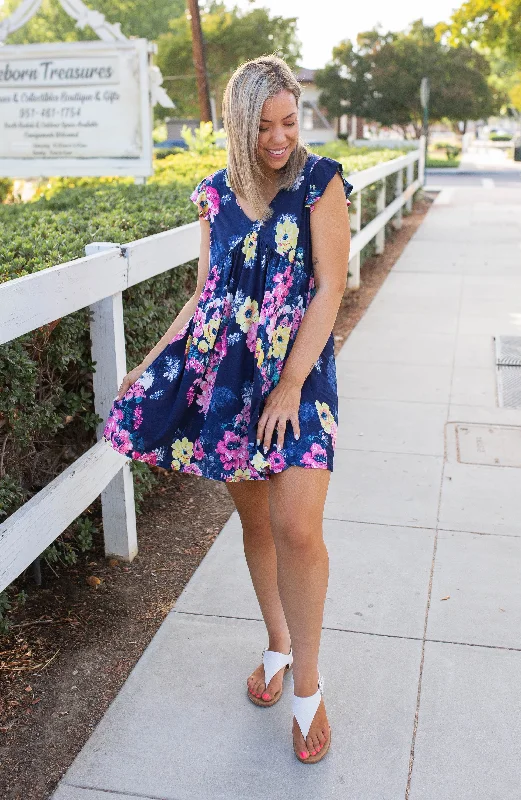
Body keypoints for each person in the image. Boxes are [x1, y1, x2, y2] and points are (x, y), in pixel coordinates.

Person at [102, 54, 353, 764]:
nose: (280, 137)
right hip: (226, 380)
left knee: (297, 525)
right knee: (254, 522)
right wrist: (147, 368)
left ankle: (306, 685)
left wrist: (290, 385)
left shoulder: (318, 180)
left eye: (289, 120)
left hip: (297, 379)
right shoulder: (215, 194)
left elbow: (329, 286)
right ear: (238, 126)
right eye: (265, 126)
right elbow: (205, 293)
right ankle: (276, 645)